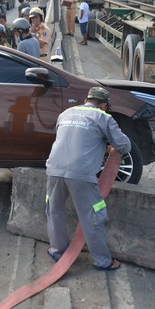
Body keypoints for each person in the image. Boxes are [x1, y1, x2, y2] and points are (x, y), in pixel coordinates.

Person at [45, 86, 130, 271]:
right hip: (80, 174)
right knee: (92, 216)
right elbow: (124, 145)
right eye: (106, 107)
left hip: (53, 169)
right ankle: (103, 261)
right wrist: (108, 145)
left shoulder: (65, 113)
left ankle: (57, 251)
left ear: (86, 100)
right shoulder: (103, 116)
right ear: (104, 105)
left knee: (54, 211)